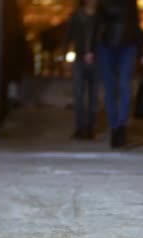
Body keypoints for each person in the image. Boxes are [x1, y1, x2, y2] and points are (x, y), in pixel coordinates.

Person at [87, 0, 143, 148]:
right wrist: (91, 49)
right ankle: (116, 128)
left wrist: (141, 51)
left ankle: (120, 127)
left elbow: (136, 24)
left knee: (121, 86)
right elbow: (96, 25)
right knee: (112, 87)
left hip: (125, 46)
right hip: (108, 46)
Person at [63, 0, 98, 140]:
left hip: (96, 60)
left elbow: (102, 37)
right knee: (79, 94)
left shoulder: (100, 18)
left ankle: (90, 128)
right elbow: (68, 36)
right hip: (80, 58)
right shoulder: (76, 16)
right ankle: (80, 127)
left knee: (92, 95)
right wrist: (65, 56)